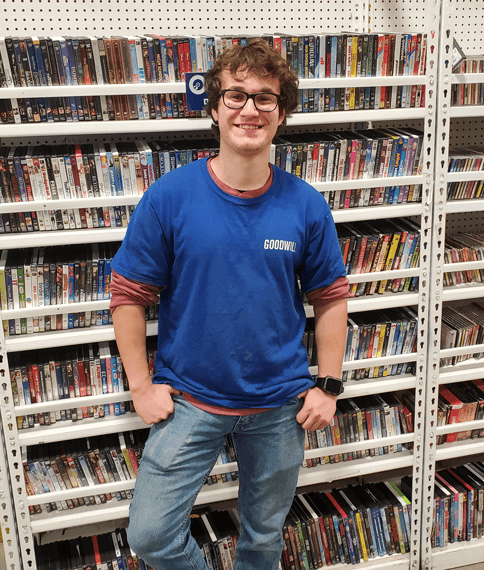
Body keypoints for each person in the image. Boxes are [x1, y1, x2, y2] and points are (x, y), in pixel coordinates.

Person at [110, 38, 349, 570]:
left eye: (265, 98)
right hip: (189, 401)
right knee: (150, 536)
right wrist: (139, 386)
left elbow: (330, 297)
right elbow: (128, 293)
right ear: (215, 107)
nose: (249, 109)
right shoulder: (170, 196)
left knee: (263, 539)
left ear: (281, 114)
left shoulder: (305, 204)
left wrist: (329, 385)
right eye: (236, 95)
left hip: (281, 404)